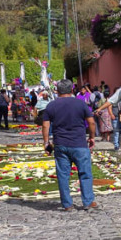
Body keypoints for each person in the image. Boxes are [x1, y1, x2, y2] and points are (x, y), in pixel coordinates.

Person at [42, 79, 98, 212]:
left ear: (57, 91)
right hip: (79, 143)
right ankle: (88, 201)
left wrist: (46, 142)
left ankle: (67, 204)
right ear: (72, 90)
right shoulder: (80, 104)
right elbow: (91, 123)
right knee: (85, 173)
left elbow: (45, 125)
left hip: (60, 144)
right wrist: (92, 137)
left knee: (63, 175)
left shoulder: (51, 105)